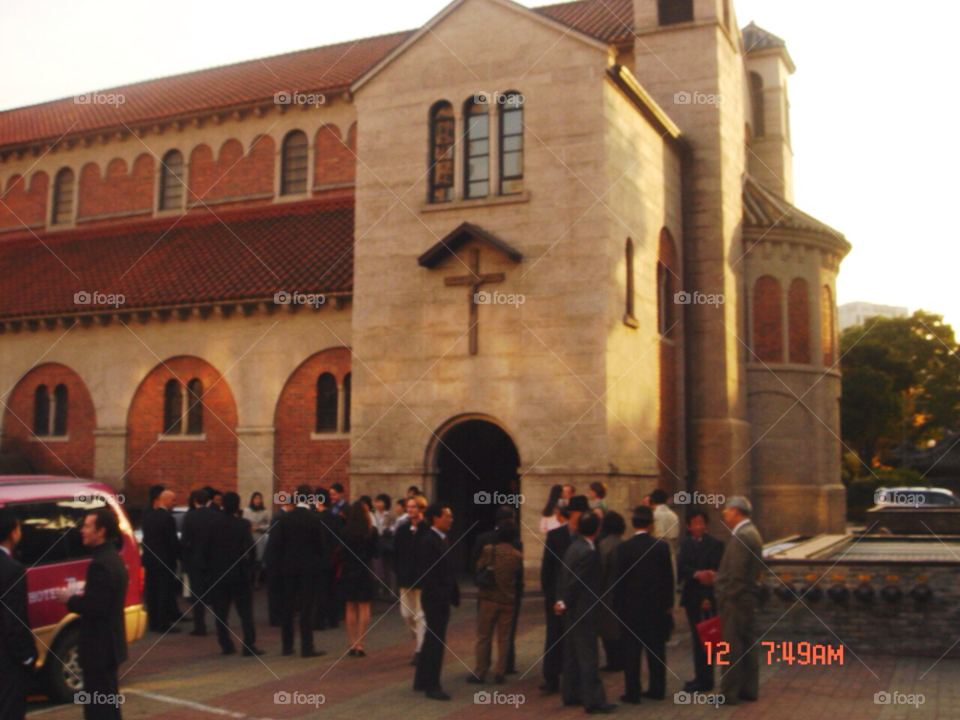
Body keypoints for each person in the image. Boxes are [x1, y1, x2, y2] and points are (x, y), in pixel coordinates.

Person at [57, 507, 128, 720]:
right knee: (108, 703)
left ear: (101, 530)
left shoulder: (100, 564)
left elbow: (96, 608)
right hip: (109, 646)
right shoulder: (112, 558)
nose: (82, 531)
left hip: (99, 648)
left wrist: (69, 600)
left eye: (87, 526)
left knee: (98, 707)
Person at [701, 496, 764, 705]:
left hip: (736, 601)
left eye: (727, 511)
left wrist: (725, 595)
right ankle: (748, 689)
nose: (724, 514)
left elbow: (737, 574)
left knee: (731, 646)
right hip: (746, 598)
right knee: (746, 644)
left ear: (736, 511)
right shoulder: (751, 533)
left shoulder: (743, 536)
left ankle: (729, 693)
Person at [554, 512, 616, 714]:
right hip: (583, 610)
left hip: (572, 610)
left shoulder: (574, 547)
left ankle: (571, 693)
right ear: (597, 530)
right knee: (588, 655)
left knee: (571, 653)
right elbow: (577, 582)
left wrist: (561, 601)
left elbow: (564, 578)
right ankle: (594, 699)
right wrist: (566, 602)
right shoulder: (589, 552)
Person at [614, 505, 674, 705]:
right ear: (650, 524)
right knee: (656, 649)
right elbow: (668, 579)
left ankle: (632, 692)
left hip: (630, 608)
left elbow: (618, 582)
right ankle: (657, 689)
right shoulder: (661, 547)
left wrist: (617, 607)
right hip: (656, 608)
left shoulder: (623, 548)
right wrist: (668, 604)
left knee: (631, 651)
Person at [270, 484, 327, 657]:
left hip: (289, 568)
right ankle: (306, 646)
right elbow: (321, 547)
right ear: (309, 498)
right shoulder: (314, 520)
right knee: (306, 607)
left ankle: (287, 646)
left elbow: (276, 545)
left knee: (288, 607)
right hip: (309, 569)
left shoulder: (284, 519)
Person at [539, 494, 587, 694]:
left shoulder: (589, 536)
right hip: (557, 597)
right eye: (580, 513)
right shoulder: (556, 535)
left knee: (577, 640)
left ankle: (574, 680)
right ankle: (551, 679)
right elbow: (547, 569)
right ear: (572, 514)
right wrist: (551, 596)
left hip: (579, 598)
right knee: (554, 637)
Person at [206, 492, 263, 657]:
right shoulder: (243, 524)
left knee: (221, 613)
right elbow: (251, 548)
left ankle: (226, 644)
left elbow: (206, 548)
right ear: (238, 505)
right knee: (245, 612)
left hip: (218, 573)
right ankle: (249, 644)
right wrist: (250, 566)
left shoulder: (213, 524)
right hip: (239, 573)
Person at [413, 503, 460, 701]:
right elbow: (430, 574)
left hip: (438, 597)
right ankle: (432, 685)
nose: (451, 520)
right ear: (435, 519)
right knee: (436, 642)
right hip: (434, 599)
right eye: (447, 516)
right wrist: (442, 595)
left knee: (431, 640)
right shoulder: (430, 541)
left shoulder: (440, 539)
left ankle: (421, 680)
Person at [468, 519, 523, 684]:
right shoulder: (517, 555)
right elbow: (518, 577)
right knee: (504, 638)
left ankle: (480, 671)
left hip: (488, 599)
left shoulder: (489, 550)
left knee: (484, 637)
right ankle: (500, 671)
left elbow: (478, 567)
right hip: (507, 600)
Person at [677, 508, 724, 693]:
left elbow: (716, 568)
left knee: (708, 639)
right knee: (696, 639)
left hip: (707, 597)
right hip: (691, 596)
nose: (698, 526)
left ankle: (707, 679)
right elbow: (683, 567)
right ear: (688, 526)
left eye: (701, 522)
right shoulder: (686, 544)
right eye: (695, 523)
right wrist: (695, 574)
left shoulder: (716, 544)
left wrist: (707, 596)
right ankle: (699, 676)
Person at [0, 508, 35, 720]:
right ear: (13, 532)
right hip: (8, 659)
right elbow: (14, 619)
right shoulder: (12, 570)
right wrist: (27, 656)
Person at [340, 500, 380, 656]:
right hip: (364, 570)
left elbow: (342, 553)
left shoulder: (345, 531)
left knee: (350, 606)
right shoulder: (372, 531)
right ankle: (361, 643)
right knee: (364, 607)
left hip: (349, 570)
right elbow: (376, 553)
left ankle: (352, 642)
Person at [141, 488, 180, 633]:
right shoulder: (168, 518)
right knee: (164, 591)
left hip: (150, 559)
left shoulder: (149, 516)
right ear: (165, 500)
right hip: (165, 560)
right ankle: (163, 623)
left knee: (152, 591)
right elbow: (172, 541)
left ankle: (153, 622)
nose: (175, 503)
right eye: (173, 500)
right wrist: (179, 555)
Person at [181, 488, 219, 636]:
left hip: (195, 560)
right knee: (215, 594)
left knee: (197, 595)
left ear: (194, 501)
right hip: (212, 560)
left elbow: (185, 542)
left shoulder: (189, 517)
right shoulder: (215, 516)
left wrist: (185, 561)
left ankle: (200, 626)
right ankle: (220, 623)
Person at [395, 495, 427, 666]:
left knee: (421, 615)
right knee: (407, 614)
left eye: (413, 507)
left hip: (421, 579)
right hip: (405, 578)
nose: (410, 510)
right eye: (408, 507)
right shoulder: (402, 529)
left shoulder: (427, 529)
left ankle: (420, 649)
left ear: (421, 509)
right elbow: (396, 552)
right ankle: (418, 638)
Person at [597, 510, 625, 673]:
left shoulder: (604, 545)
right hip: (621, 591)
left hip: (607, 592)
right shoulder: (622, 543)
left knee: (608, 630)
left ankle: (613, 661)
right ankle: (619, 659)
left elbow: (600, 571)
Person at [313, 487, 343, 631]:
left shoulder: (317, 519)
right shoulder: (335, 518)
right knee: (333, 590)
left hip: (319, 559)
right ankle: (333, 619)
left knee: (320, 592)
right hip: (334, 558)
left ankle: (319, 621)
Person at [265, 493, 293, 627]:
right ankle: (276, 617)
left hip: (274, 558)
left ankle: (277, 615)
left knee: (276, 589)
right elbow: (277, 541)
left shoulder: (279, 516)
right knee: (276, 589)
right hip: (275, 559)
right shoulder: (280, 518)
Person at [242, 492, 270, 589]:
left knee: (258, 560)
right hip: (249, 536)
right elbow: (243, 522)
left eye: (259, 498)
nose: (257, 500)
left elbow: (269, 525)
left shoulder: (264, 511)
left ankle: (256, 582)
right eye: (256, 498)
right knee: (248, 558)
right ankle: (248, 581)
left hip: (259, 536)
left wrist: (260, 527)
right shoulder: (246, 510)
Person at [649, 489, 680, 564]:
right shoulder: (674, 515)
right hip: (672, 552)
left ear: (652, 500)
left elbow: (659, 536)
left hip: (657, 555)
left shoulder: (655, 515)